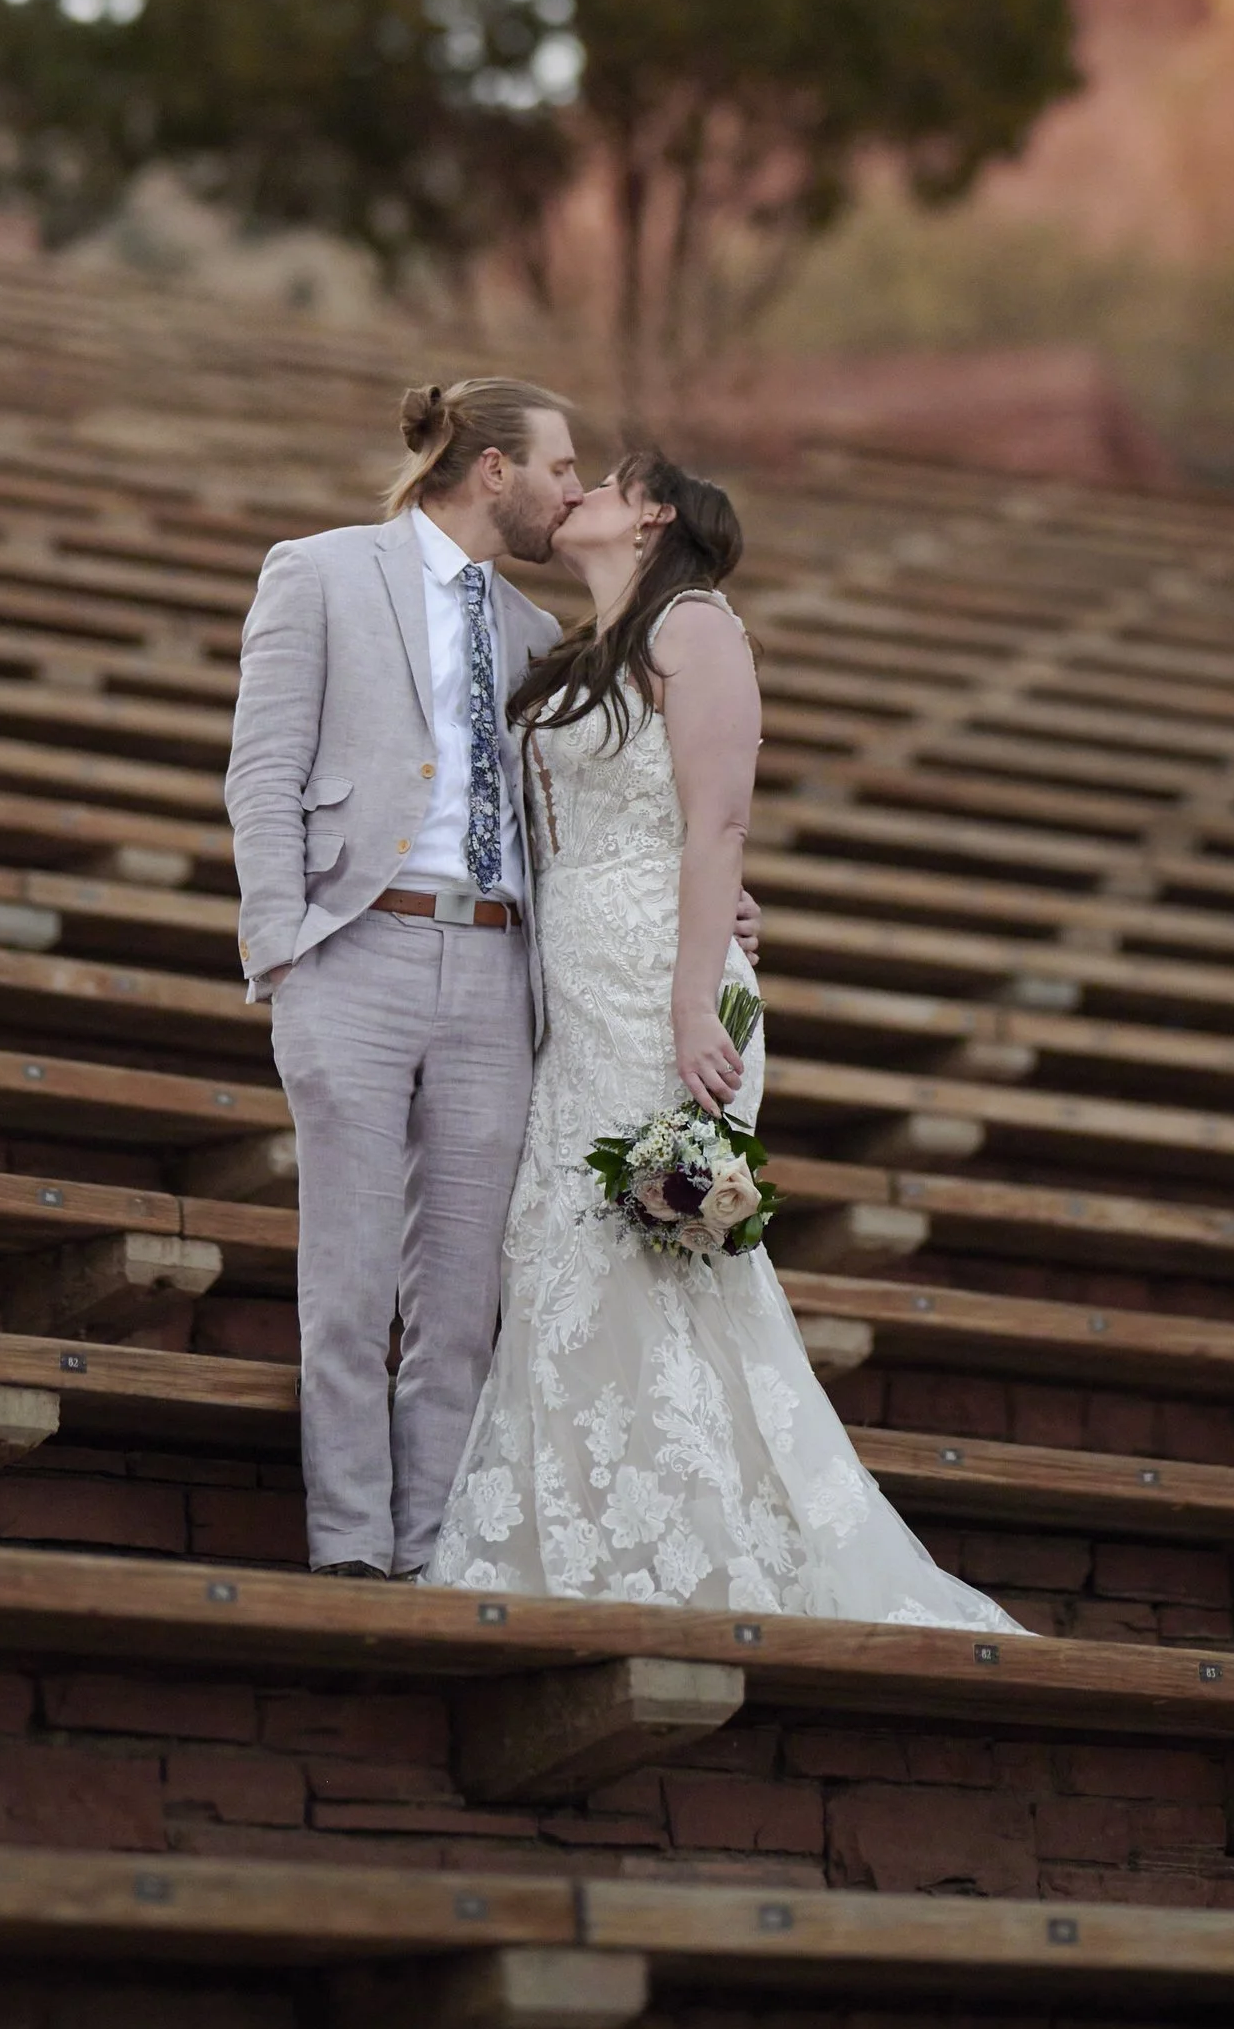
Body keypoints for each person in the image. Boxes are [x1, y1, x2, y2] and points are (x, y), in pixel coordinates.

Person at [426, 445, 1016, 1627]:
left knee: (649, 1256)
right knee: (560, 1256)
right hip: (576, 989)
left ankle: (708, 1552)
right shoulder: (586, 650)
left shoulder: (697, 625)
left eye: (606, 480)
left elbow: (718, 825)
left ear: (650, 518)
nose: (578, 488)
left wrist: (697, 998)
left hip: (662, 991)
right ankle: (586, 1533)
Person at [225, 378, 579, 1581]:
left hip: (495, 967)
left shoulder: (538, 638)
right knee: (350, 1276)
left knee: (460, 1293)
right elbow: (262, 769)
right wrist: (284, 946)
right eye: (561, 469)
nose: (572, 492)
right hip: (356, 950)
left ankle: (432, 1548)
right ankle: (348, 1550)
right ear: (494, 469)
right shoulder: (318, 572)